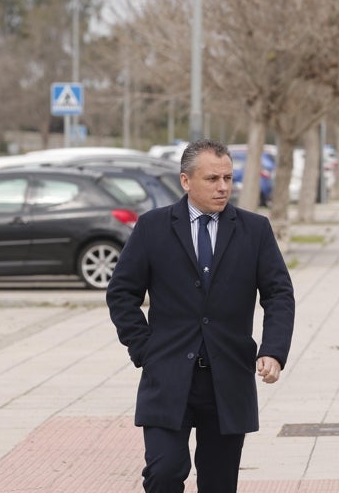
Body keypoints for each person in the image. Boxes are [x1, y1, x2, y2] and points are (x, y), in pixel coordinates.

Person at [107, 138, 295, 492]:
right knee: (163, 474)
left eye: (227, 177)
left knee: (219, 483)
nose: (223, 187)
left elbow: (279, 293)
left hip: (228, 377)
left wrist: (273, 350)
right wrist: (144, 349)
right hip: (168, 376)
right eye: (212, 179)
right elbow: (121, 293)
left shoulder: (254, 230)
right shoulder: (152, 227)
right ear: (186, 181)